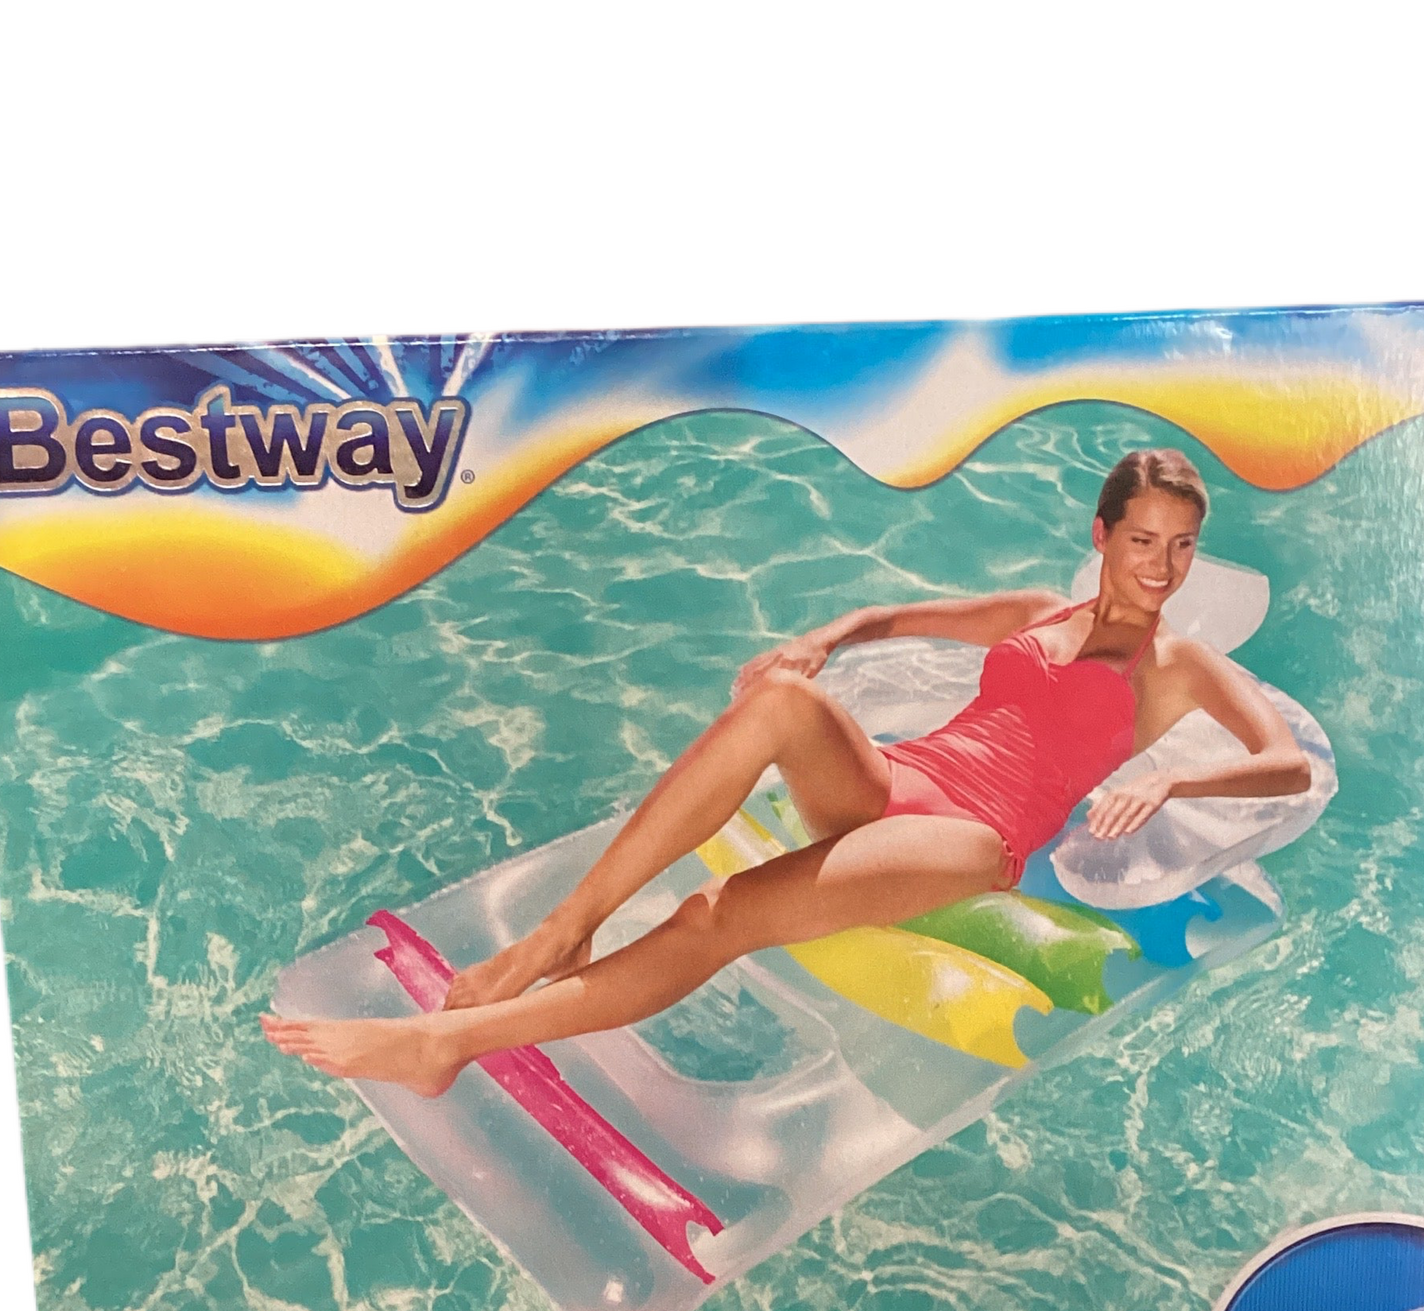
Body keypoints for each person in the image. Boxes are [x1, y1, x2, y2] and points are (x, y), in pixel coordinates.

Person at [263, 447, 1311, 1096]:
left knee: (717, 914)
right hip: (899, 778)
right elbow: (891, 615)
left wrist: (1171, 782)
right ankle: (561, 932)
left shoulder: (1177, 666)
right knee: (776, 703)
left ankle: (448, 1044)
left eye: (1180, 547)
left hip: (972, 836)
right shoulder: (1041, 610)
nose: (1160, 567)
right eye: (1142, 540)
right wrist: (821, 642)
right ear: (1102, 535)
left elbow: (1283, 766)